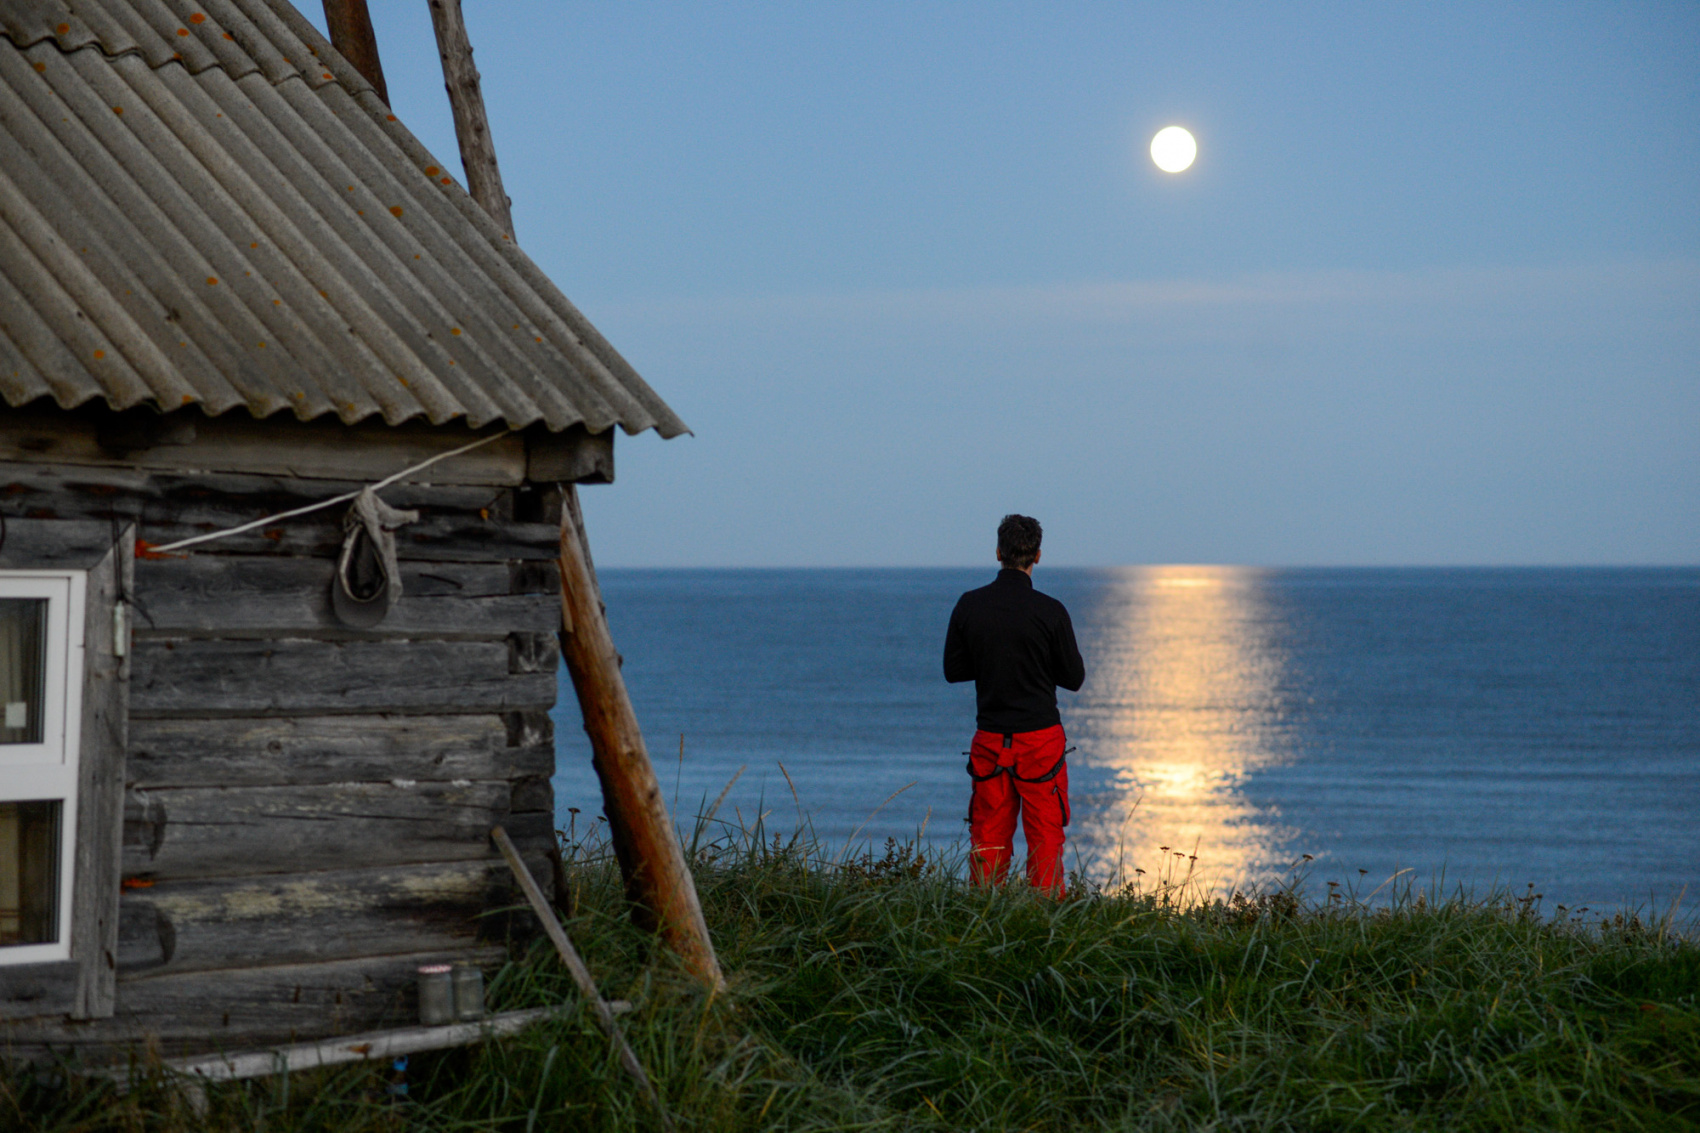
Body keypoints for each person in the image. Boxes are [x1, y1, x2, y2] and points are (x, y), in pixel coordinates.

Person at [943, 514, 1085, 895]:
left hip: (991, 739)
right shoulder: (1051, 610)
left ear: (998, 552)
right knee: (1045, 838)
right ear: (1037, 555)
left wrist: (992, 662)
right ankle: (1045, 915)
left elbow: (953, 671)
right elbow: (1074, 677)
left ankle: (984, 912)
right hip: (1040, 741)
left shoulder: (969, 605)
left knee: (988, 836)